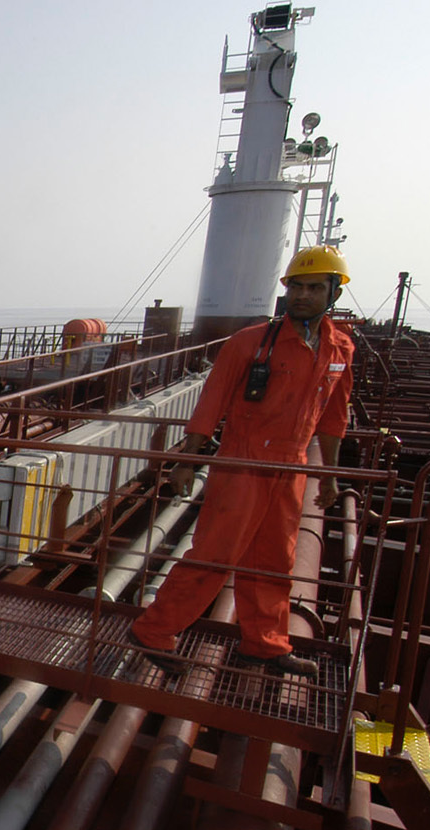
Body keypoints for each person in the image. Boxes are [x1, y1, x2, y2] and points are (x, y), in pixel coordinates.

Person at [128, 245, 354, 678]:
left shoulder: (340, 349)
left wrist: (327, 476)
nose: (302, 295)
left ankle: (265, 644)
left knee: (274, 560)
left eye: (313, 288)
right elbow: (210, 404)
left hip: (292, 467)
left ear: (333, 293)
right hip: (243, 462)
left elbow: (334, 417)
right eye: (296, 287)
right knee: (215, 554)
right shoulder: (249, 343)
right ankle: (154, 631)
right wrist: (187, 461)